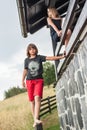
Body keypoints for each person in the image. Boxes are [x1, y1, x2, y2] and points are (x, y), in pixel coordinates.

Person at [22, 43, 66, 127]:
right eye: (30, 49)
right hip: (29, 81)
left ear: (36, 49)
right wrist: (22, 81)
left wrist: (61, 57)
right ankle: (35, 120)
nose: (32, 50)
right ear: (28, 51)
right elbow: (25, 71)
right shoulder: (26, 60)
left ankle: (36, 119)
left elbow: (50, 58)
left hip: (39, 80)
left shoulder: (39, 57)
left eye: (34, 48)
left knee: (37, 97)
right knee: (32, 101)